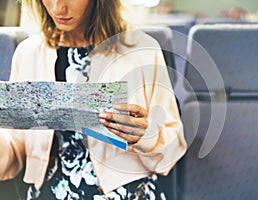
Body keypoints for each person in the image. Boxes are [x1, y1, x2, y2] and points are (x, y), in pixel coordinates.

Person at [0, 0, 187, 199]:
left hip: (126, 192)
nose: (57, 8)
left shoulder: (142, 50)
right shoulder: (28, 53)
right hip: (50, 191)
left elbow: (173, 150)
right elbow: (14, 150)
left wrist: (143, 136)